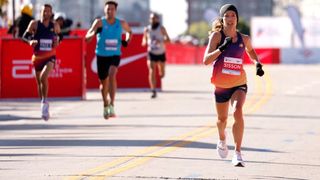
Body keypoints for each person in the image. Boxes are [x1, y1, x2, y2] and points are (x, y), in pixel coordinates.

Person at [203, 4, 264, 167]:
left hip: (239, 83)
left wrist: (257, 63)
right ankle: (222, 138)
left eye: (233, 16)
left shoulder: (244, 39)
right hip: (221, 85)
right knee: (221, 120)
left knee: (238, 111)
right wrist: (221, 49)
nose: (230, 19)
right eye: (227, 16)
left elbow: (250, 51)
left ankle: (238, 153)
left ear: (237, 19)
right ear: (222, 19)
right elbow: (206, 60)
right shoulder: (217, 36)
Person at [85, 0, 132, 119]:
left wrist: (126, 40)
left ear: (115, 11)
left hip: (115, 55)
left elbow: (129, 32)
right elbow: (87, 36)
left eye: (112, 9)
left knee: (112, 74)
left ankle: (112, 103)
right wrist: (93, 34)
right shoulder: (99, 22)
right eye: (107, 9)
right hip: (101, 56)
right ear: (104, 10)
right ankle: (105, 104)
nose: (109, 11)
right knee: (103, 83)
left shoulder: (121, 23)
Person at [22, 4, 62, 121]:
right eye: (44, 11)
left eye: (48, 11)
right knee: (39, 82)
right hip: (37, 57)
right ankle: (43, 104)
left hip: (50, 56)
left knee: (44, 77)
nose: (46, 13)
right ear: (41, 12)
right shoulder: (34, 24)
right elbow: (25, 36)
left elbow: (60, 36)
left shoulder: (54, 25)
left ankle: (45, 103)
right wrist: (30, 42)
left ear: (51, 13)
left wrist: (58, 41)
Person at [142, 12, 170, 98]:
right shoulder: (147, 29)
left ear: (157, 19)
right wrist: (145, 42)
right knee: (152, 70)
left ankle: (162, 71)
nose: (153, 20)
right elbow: (144, 40)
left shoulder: (161, 29)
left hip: (161, 53)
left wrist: (160, 41)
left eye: (154, 18)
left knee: (162, 73)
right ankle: (153, 90)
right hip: (151, 53)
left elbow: (168, 40)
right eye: (151, 18)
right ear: (149, 19)